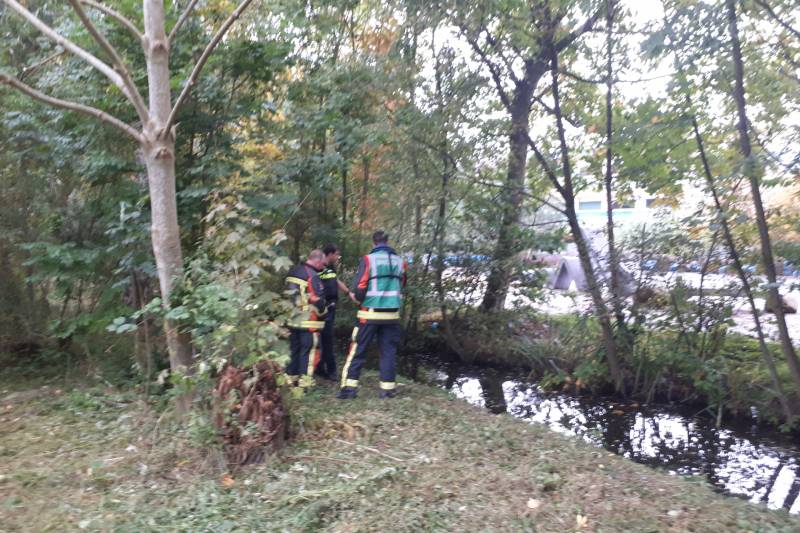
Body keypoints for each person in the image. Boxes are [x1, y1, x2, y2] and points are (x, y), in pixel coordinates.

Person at [337, 230, 408, 399]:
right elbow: (402, 283)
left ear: (373, 243)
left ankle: (349, 389)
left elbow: (360, 287)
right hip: (392, 316)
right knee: (388, 352)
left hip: (369, 314)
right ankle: (387, 390)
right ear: (387, 241)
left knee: (358, 350)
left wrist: (357, 298)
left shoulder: (369, 260)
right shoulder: (400, 262)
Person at [285, 249, 327, 388]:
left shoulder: (293, 271)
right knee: (308, 354)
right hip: (309, 322)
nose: (323, 266)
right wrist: (324, 312)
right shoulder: (312, 275)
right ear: (317, 260)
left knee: (294, 351)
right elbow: (318, 300)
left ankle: (291, 382)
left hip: (292, 320)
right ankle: (305, 385)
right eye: (322, 263)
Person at [316, 243, 357, 381]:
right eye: (337, 254)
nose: (338, 257)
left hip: (332, 307)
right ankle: (331, 371)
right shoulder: (319, 266)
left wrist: (348, 292)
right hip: (323, 308)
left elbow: (335, 280)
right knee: (326, 338)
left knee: (325, 338)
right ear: (330, 254)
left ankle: (321, 368)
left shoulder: (331, 268)